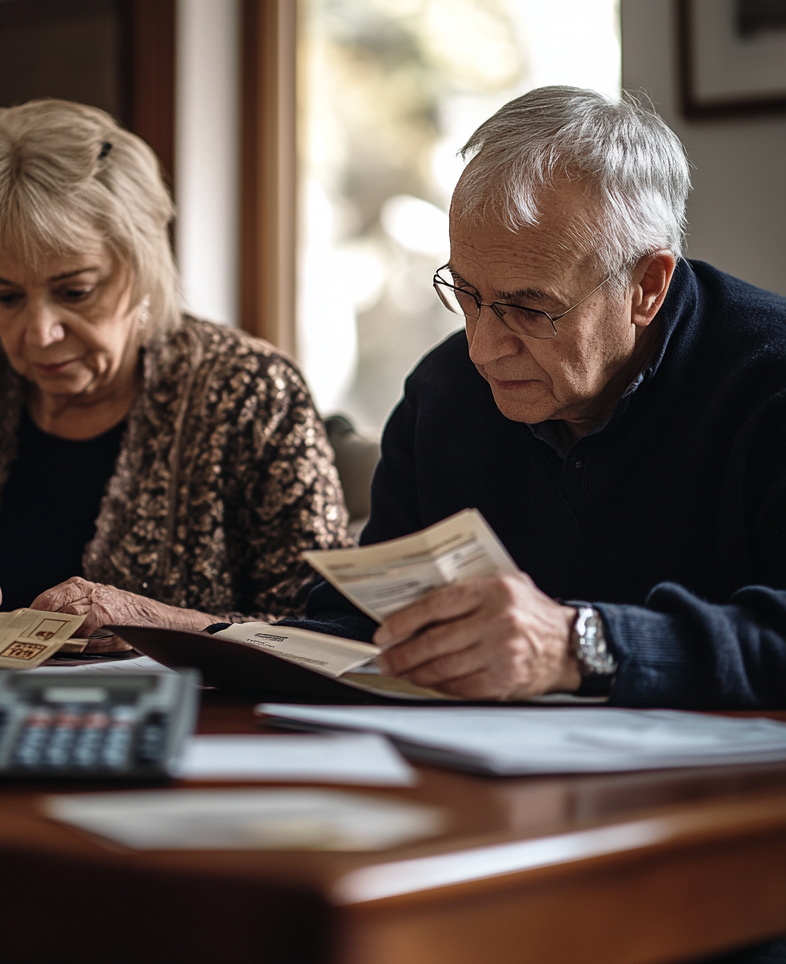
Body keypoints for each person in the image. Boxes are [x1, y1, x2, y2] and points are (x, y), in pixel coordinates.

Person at [290, 86, 786, 711]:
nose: (482, 349)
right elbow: (364, 627)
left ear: (646, 287)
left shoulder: (769, 384)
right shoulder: (443, 394)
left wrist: (577, 647)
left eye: (529, 309)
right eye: (466, 294)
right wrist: (207, 638)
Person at [0, 99, 348, 647]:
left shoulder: (251, 393)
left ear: (144, 264)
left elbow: (324, 634)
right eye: (6, 297)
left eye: (75, 291)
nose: (39, 334)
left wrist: (151, 621)